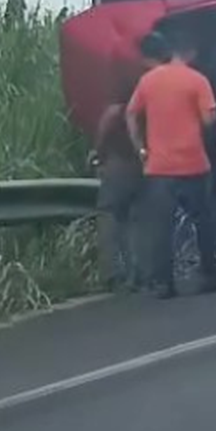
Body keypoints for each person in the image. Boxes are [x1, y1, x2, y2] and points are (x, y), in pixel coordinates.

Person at [127, 24, 216, 300]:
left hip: (159, 166)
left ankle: (164, 283)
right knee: (204, 222)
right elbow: (210, 119)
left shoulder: (147, 82)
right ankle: (212, 274)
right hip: (194, 162)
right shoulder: (197, 80)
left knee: (161, 226)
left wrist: (141, 149)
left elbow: (131, 114)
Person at [93, 86, 147, 291]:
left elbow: (101, 142)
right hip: (140, 169)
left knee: (109, 218)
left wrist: (98, 159)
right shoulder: (144, 111)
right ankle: (138, 271)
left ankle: (113, 274)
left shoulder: (114, 113)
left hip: (116, 169)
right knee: (135, 221)